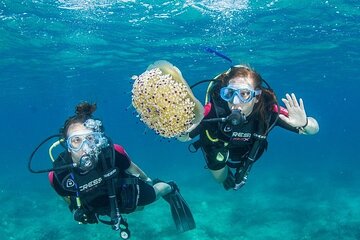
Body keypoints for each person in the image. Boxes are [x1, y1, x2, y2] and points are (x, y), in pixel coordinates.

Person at [48, 102, 195, 239]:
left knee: (149, 199)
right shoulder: (59, 174)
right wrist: (76, 209)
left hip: (121, 191)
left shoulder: (110, 153)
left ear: (98, 140)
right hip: (97, 203)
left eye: (90, 139)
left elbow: (131, 167)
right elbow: (66, 195)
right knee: (138, 209)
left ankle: (170, 187)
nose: (85, 147)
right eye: (76, 140)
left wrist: (148, 181)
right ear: (67, 145)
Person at [177, 65, 319, 190]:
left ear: (256, 97)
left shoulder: (268, 111)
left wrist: (304, 123)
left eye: (244, 94)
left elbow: (314, 129)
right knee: (220, 179)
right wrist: (180, 128)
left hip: (248, 151)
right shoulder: (214, 109)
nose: (235, 102)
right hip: (217, 146)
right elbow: (185, 137)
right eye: (229, 94)